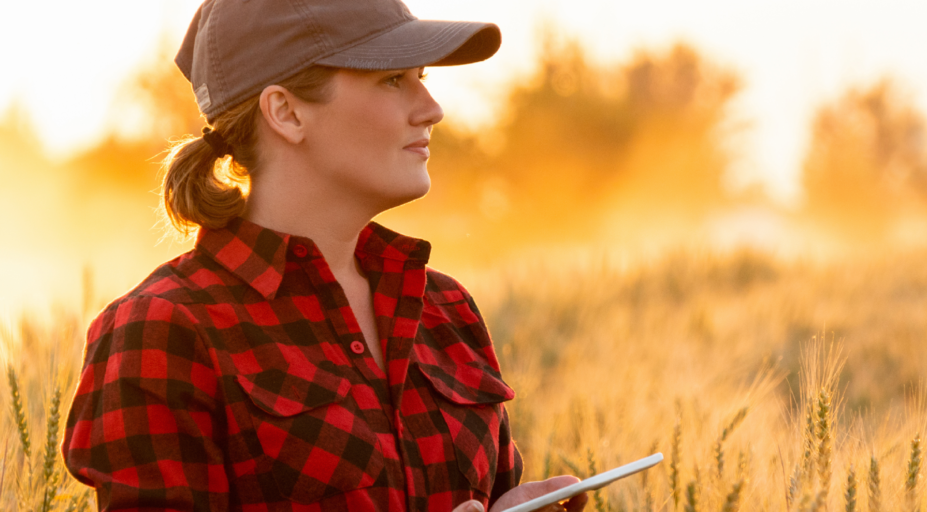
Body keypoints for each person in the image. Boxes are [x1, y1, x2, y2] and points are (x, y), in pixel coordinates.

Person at [60, 0, 590, 511]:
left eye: (422, 79)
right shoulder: (165, 329)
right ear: (286, 112)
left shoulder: (446, 309)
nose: (432, 109)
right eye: (391, 80)